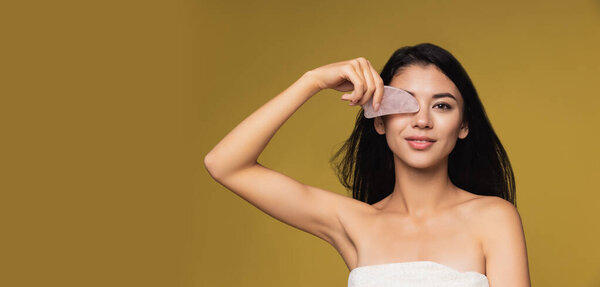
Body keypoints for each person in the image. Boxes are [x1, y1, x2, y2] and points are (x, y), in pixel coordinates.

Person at [204, 43, 531, 287]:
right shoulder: (354, 223)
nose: (422, 121)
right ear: (379, 121)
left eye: (442, 105)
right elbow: (225, 164)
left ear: (463, 126)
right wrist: (313, 81)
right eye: (406, 103)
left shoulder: (493, 218)